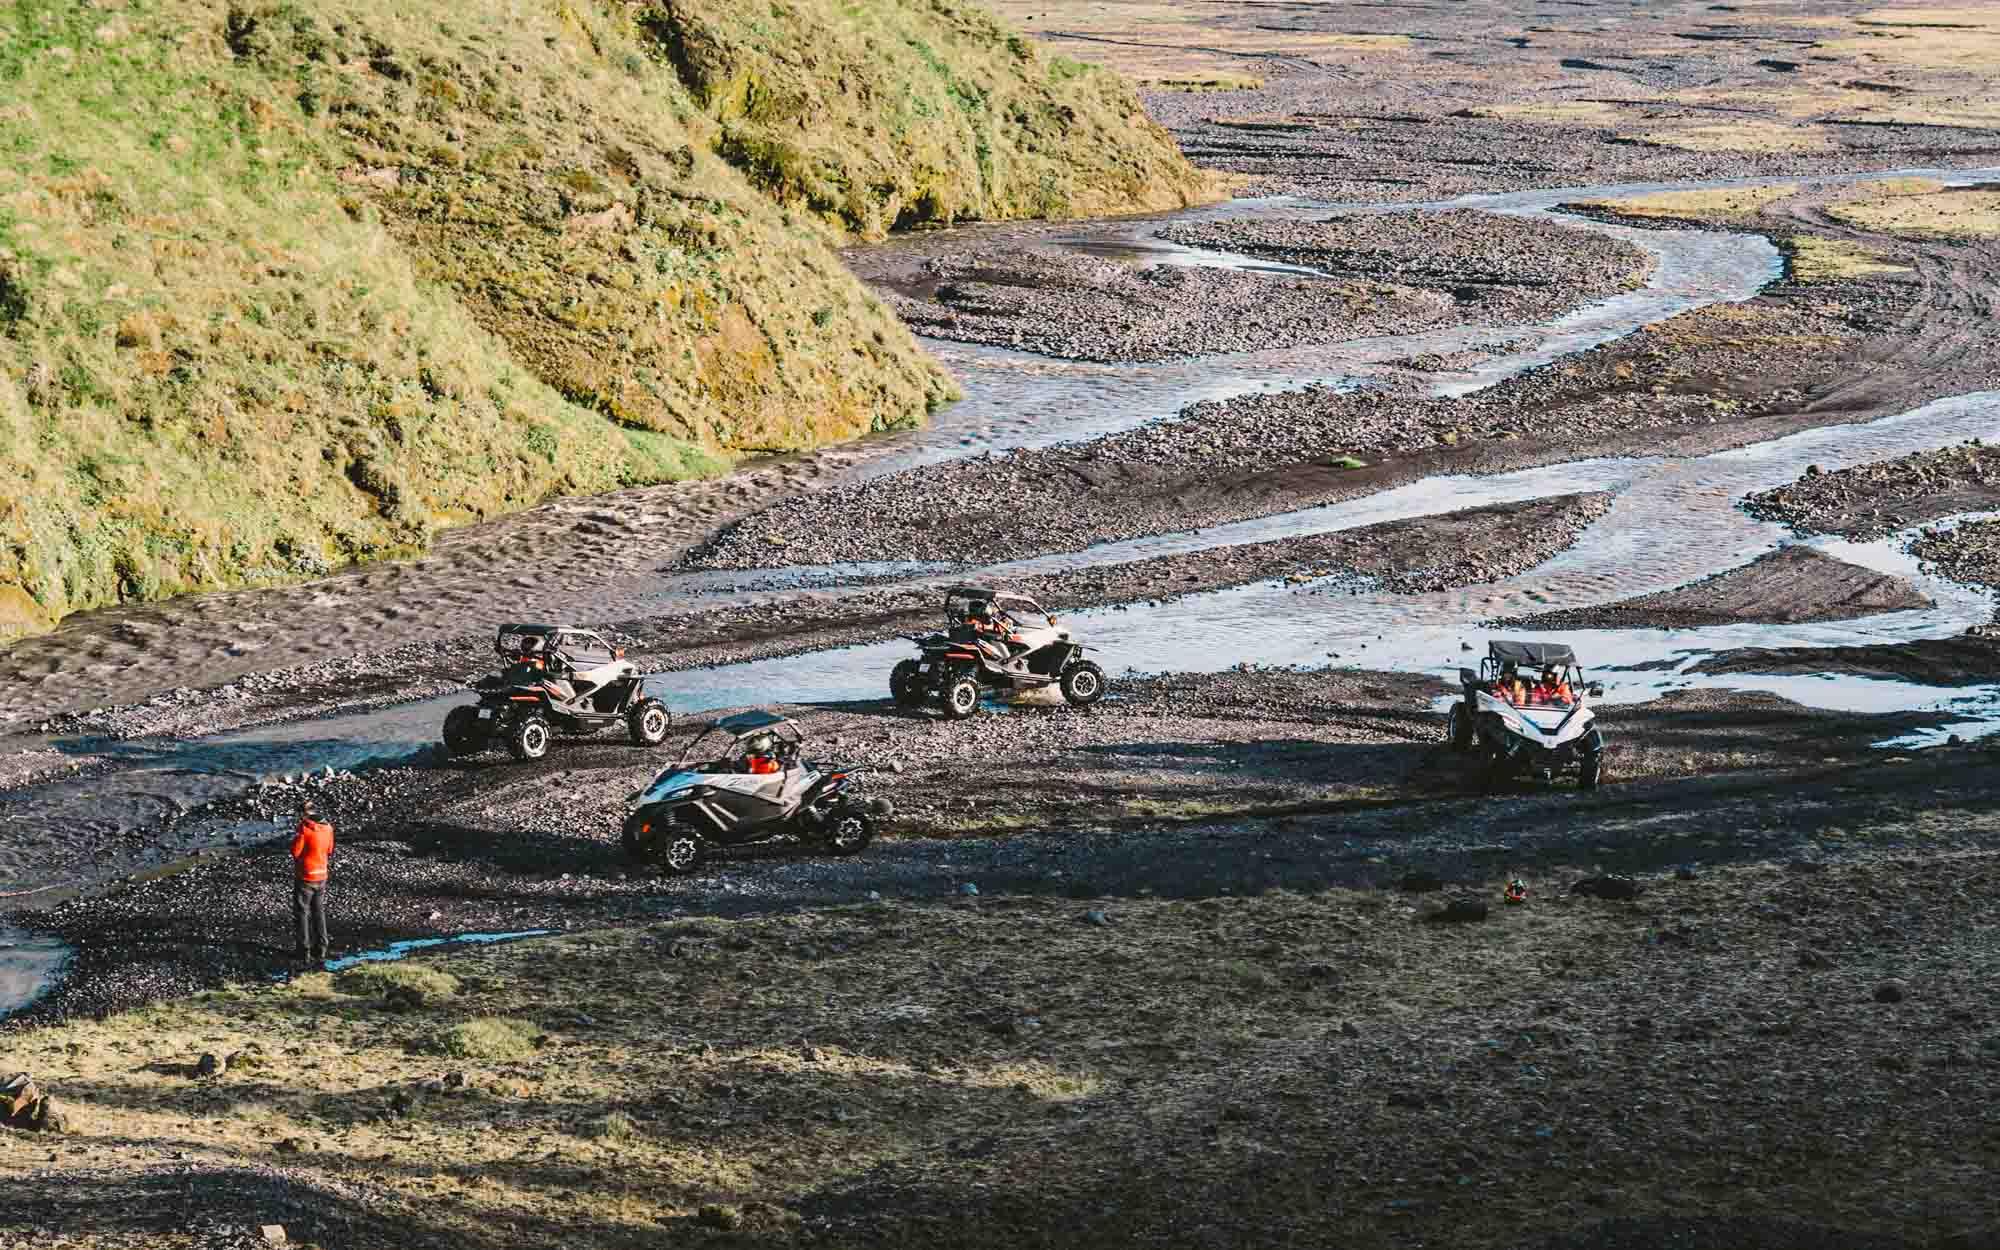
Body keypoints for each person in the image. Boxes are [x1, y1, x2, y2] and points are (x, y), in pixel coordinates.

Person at [290, 799, 334, 963]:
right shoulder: (328, 827)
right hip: (322, 874)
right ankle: (321, 947)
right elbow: (329, 849)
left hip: (306, 876)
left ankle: (304, 950)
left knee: (302, 913)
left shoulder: (304, 828)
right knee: (318, 911)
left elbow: (295, 851)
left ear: (303, 814)